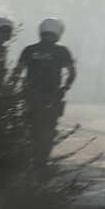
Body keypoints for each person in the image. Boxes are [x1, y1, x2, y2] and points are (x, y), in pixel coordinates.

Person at [13, 18, 77, 166]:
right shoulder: (62, 51)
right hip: (52, 97)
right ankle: (42, 160)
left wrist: (15, 90)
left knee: (29, 126)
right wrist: (64, 88)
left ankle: (28, 159)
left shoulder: (29, 50)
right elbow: (72, 73)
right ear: (58, 33)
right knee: (49, 128)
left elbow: (17, 72)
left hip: (30, 96)